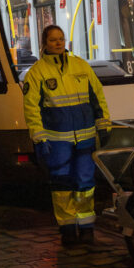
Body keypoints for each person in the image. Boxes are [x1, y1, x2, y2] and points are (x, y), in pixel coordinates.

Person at [22, 25, 111, 246]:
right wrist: (39, 138)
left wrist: (104, 125)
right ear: (44, 43)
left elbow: (98, 97)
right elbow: (32, 109)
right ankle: (68, 229)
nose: (58, 43)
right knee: (61, 185)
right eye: (53, 40)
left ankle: (87, 227)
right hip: (56, 141)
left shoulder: (81, 66)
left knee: (85, 183)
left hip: (85, 138)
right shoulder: (37, 73)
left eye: (61, 39)